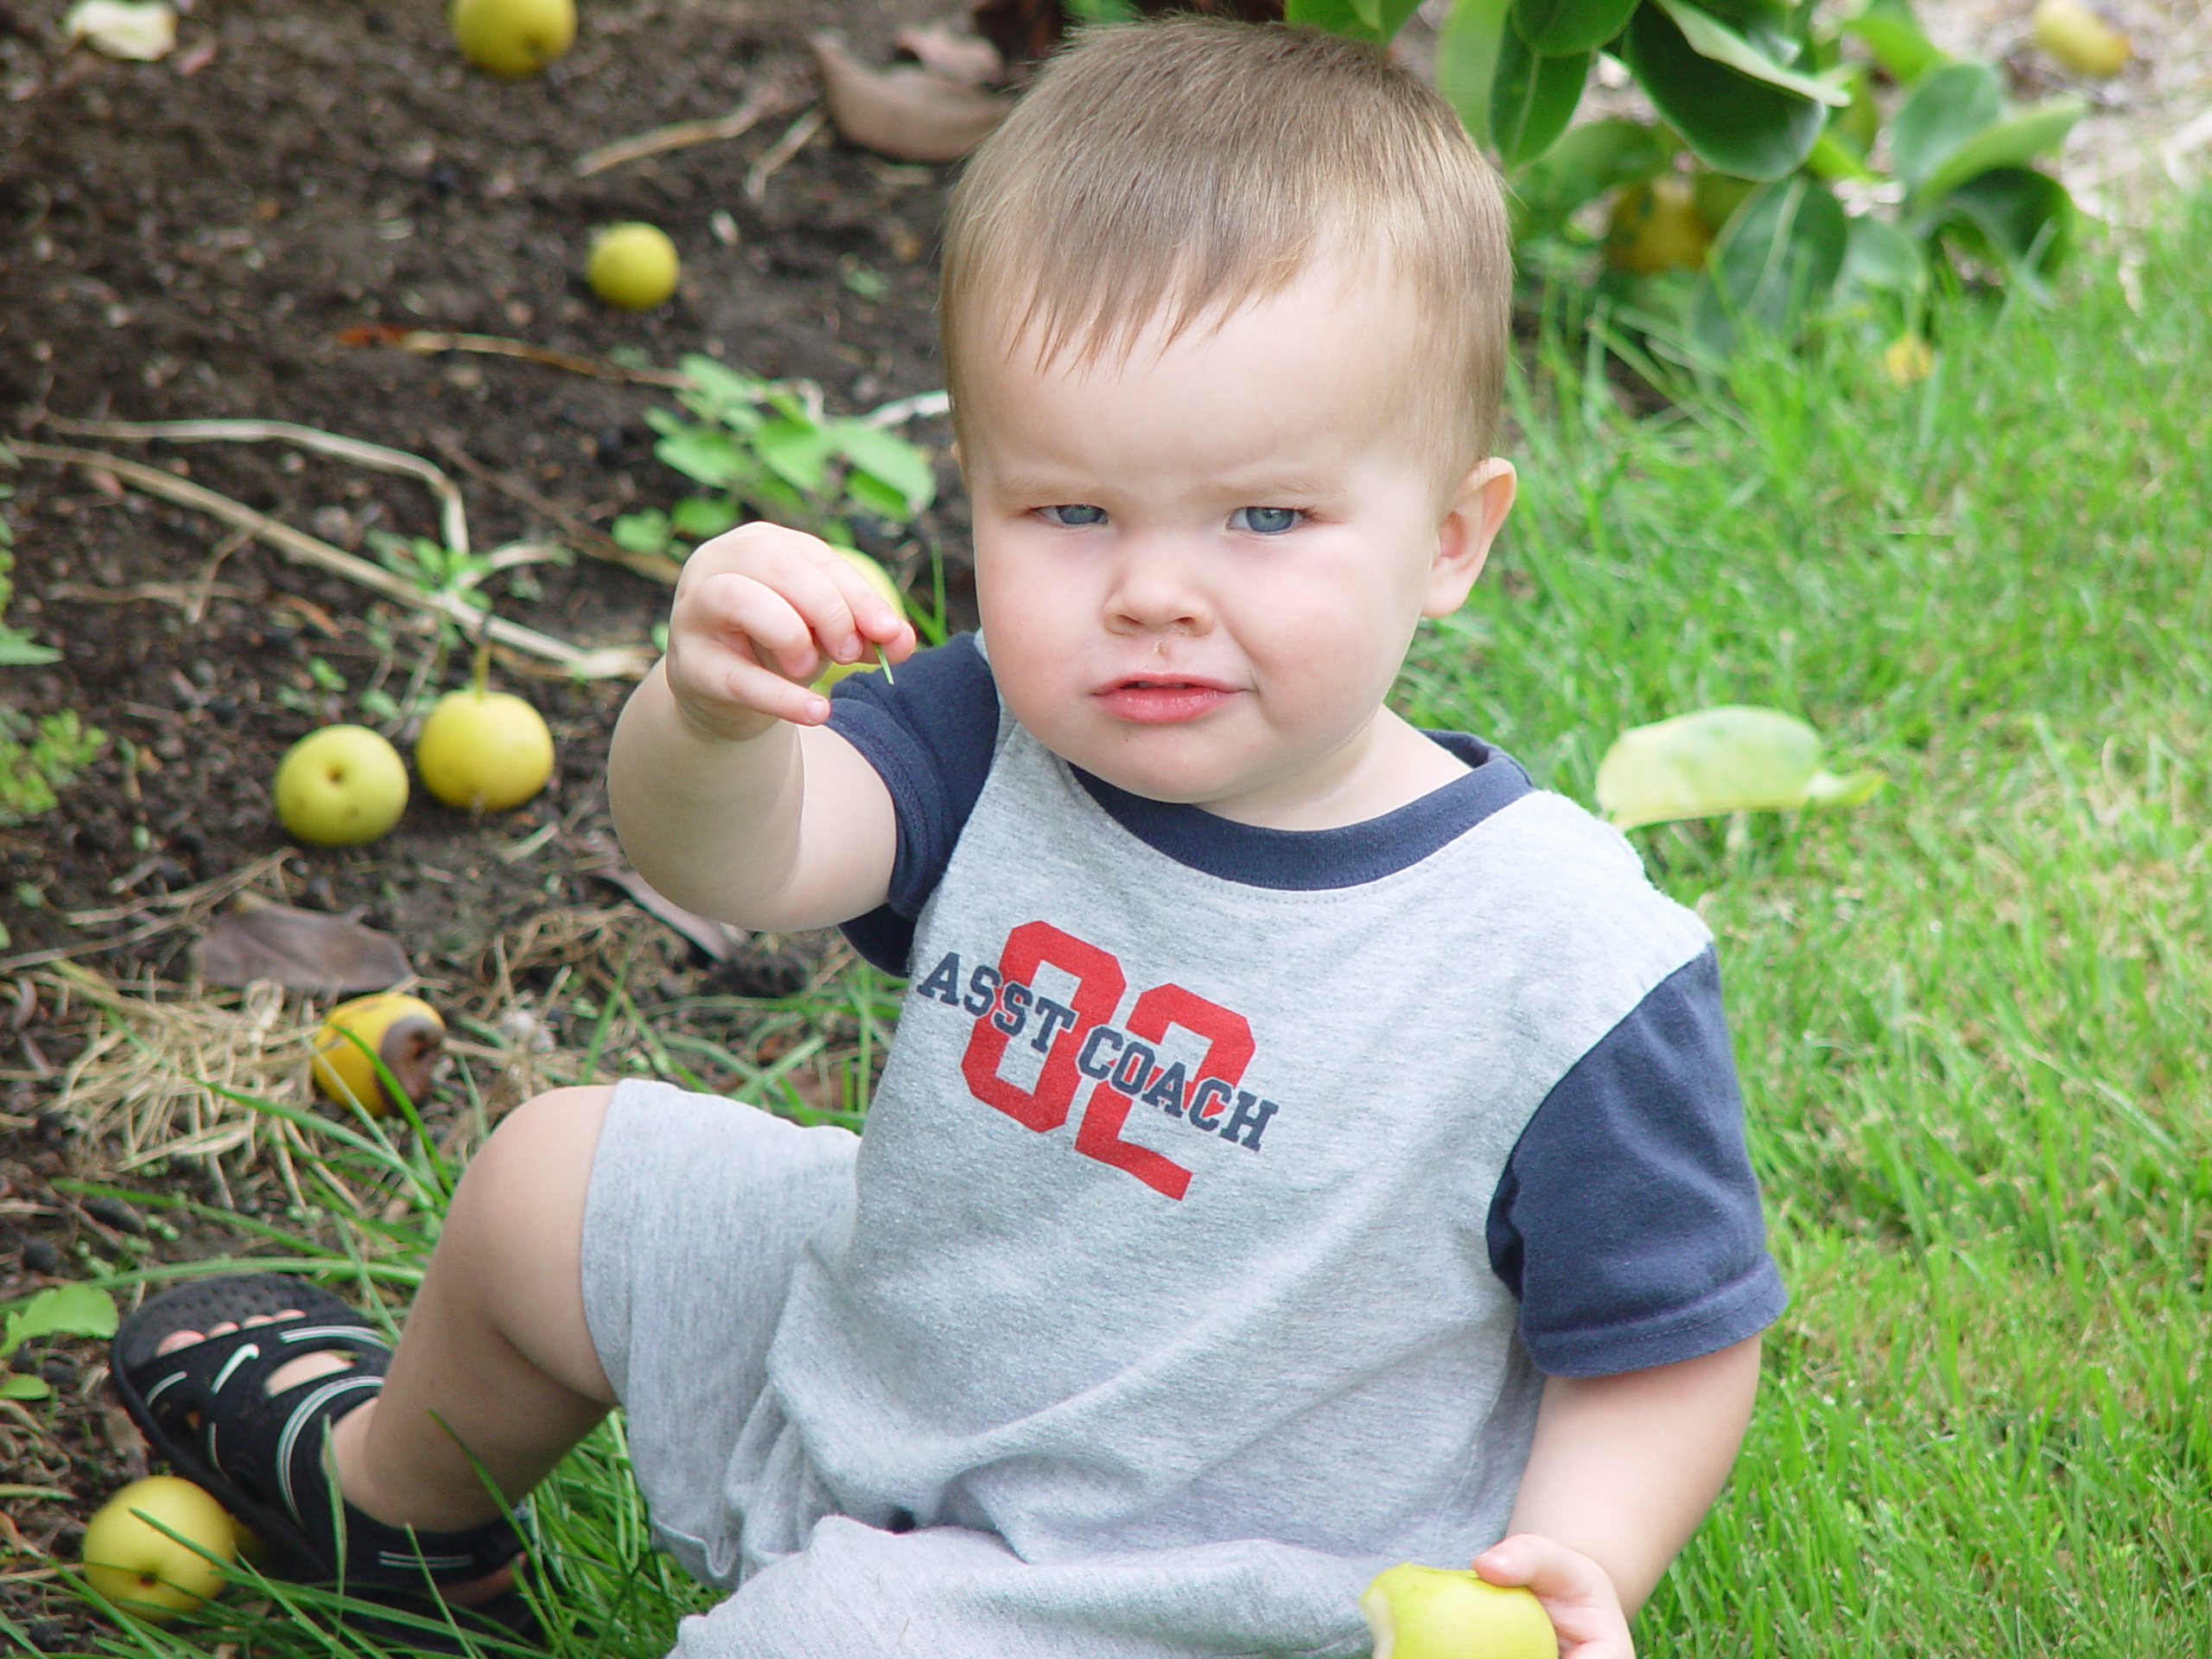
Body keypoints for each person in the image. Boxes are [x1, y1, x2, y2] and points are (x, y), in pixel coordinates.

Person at [111, 18, 1783, 1657]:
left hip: (1184, 1565)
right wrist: (707, 721)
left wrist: (1571, 1562)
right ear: (974, 494)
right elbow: (736, 864)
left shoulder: (1554, 960)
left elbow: (1659, 1336)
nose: (1149, 590)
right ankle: (392, 1517)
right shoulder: (995, 729)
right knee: (557, 1177)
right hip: (884, 1350)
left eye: (1262, 517)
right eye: (1068, 513)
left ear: (1446, 538)